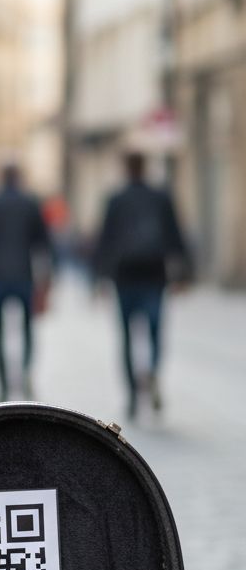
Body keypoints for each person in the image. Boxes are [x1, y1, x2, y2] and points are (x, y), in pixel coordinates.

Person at [93, 150, 191, 419]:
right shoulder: (161, 197)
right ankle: (153, 374)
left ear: (126, 167)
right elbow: (175, 235)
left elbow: (105, 239)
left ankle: (133, 396)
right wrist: (184, 275)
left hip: (124, 277)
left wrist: (99, 278)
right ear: (145, 167)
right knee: (155, 332)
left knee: (126, 337)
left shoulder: (116, 200)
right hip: (154, 275)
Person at [0, 162, 51, 401]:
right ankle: (24, 374)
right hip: (24, 274)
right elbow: (43, 242)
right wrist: (48, 276)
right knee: (27, 330)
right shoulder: (30, 203)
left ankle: (3, 383)